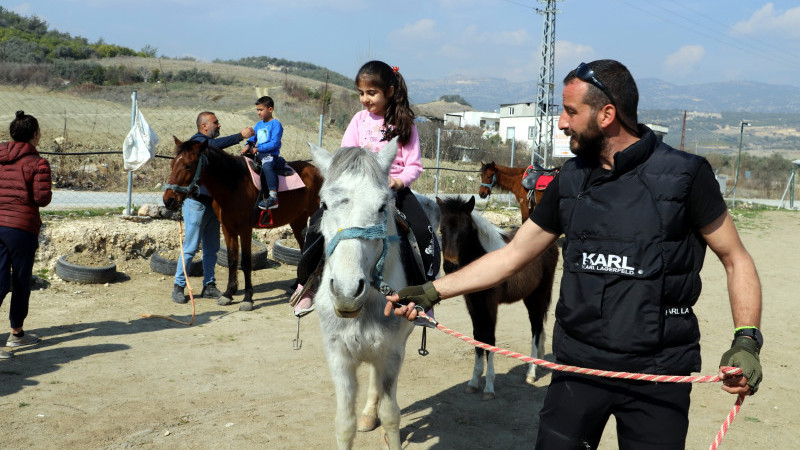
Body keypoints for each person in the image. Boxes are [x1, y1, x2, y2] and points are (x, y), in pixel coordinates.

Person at [386, 59, 763, 449]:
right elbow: (512, 255)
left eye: (570, 111)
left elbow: (737, 259)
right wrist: (433, 290)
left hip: (658, 373)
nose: (562, 123)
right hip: (578, 367)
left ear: (607, 114)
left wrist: (746, 340)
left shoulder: (685, 176)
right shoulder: (569, 179)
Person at [290, 60, 440, 318]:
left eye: (371, 93)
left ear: (390, 91)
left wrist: (398, 181)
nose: (365, 99)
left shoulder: (405, 124)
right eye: (361, 93)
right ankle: (309, 285)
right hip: (359, 192)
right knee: (316, 224)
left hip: (394, 190)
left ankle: (422, 297)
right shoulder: (359, 120)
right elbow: (344, 157)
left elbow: (414, 166)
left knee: (424, 234)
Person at [171, 112, 254, 304]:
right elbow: (213, 147)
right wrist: (239, 136)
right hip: (196, 202)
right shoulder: (197, 144)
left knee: (212, 248)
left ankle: (209, 285)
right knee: (190, 246)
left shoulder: (208, 149)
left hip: (213, 204)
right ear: (204, 126)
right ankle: (179, 285)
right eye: (215, 123)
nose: (219, 125)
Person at [0, 111, 52, 359]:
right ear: (34, 135)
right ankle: (16, 333)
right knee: (20, 282)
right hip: (21, 228)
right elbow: (42, 199)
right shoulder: (38, 163)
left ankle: (17, 336)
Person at [242, 96, 284, 210]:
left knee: (267, 166)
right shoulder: (258, 125)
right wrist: (248, 145)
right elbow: (253, 138)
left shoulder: (276, 124)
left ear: (270, 109)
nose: (258, 112)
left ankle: (273, 196)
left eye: (261, 110)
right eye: (257, 110)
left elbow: (274, 143)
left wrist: (258, 148)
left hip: (270, 154)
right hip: (258, 153)